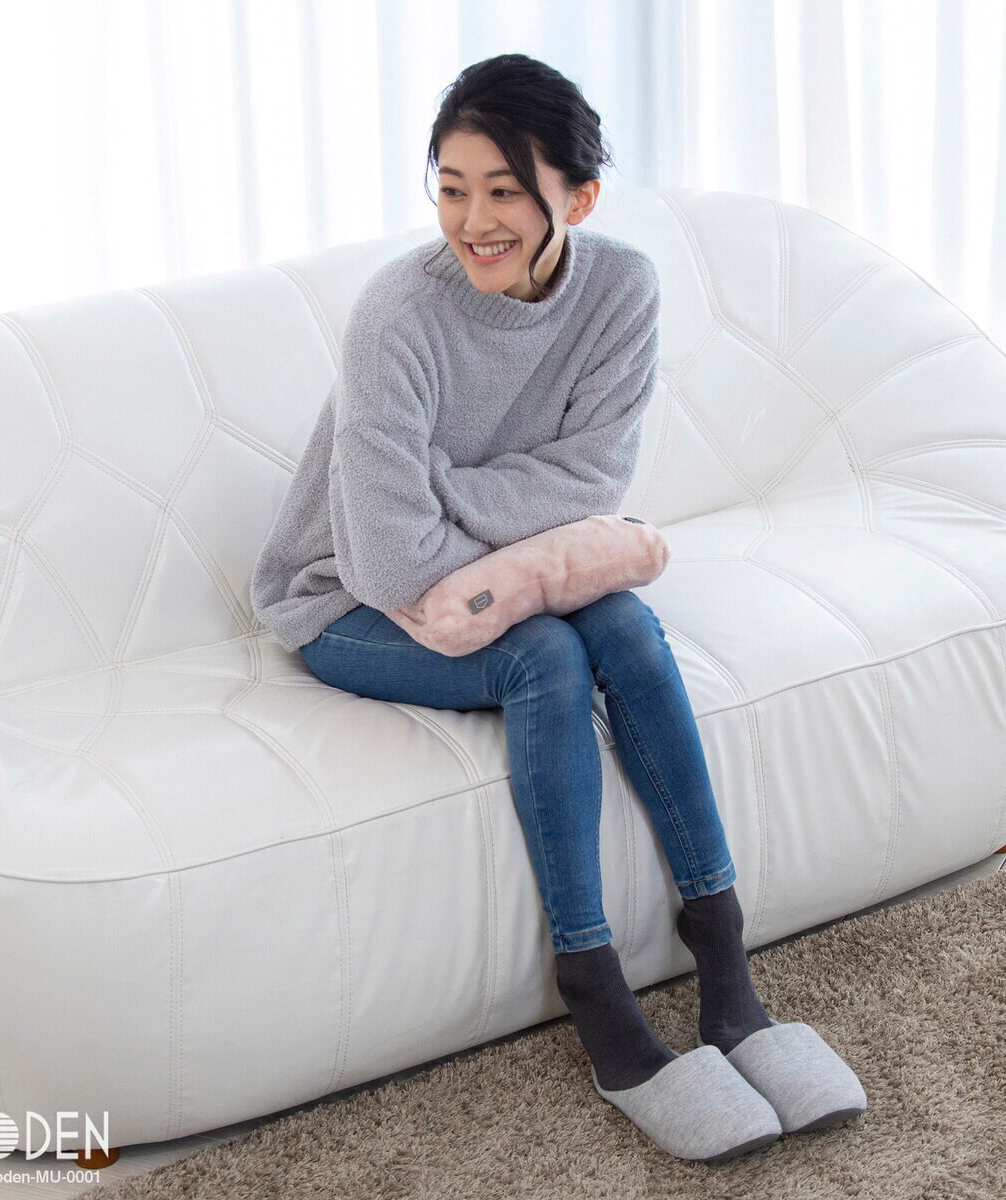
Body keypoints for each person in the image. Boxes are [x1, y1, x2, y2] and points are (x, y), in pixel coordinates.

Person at [250, 53, 862, 1162]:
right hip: (345, 604)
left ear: (576, 200)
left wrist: (446, 490)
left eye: (503, 191)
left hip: (477, 565)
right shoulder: (396, 317)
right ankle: (599, 994)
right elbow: (386, 557)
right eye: (451, 187)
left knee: (622, 625)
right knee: (545, 654)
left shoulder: (621, 290)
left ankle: (729, 980)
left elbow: (594, 484)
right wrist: (505, 528)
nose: (472, 221)